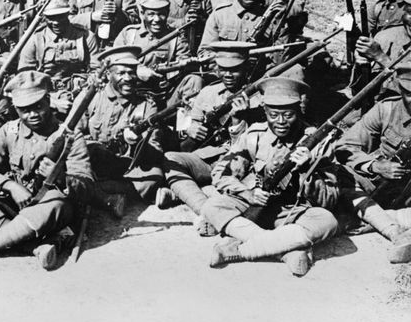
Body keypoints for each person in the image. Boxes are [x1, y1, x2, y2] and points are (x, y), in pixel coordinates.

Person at [0, 70, 93, 270]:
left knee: (54, 205)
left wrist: (60, 177)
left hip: (50, 208)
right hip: (16, 202)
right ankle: (34, 246)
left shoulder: (70, 137)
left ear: (49, 101)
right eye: (25, 110)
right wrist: (10, 187)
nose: (32, 115)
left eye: (38, 107)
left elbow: (86, 187)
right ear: (15, 108)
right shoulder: (9, 130)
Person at [201, 77, 339, 276]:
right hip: (255, 203)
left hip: (294, 210)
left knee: (327, 221)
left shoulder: (317, 142)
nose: (281, 122)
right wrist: (248, 194)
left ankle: (238, 250)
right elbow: (221, 174)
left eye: (289, 115)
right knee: (211, 206)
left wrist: (309, 168)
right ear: (264, 112)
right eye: (273, 115)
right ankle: (285, 252)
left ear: (299, 111)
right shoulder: (254, 135)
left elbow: (330, 199)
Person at [161, 42, 263, 230]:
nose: (228, 75)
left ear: (246, 68)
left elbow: (255, 149)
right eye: (222, 69)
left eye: (235, 70)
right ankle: (204, 209)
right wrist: (191, 129)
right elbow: (189, 131)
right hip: (209, 158)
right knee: (170, 159)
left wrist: (238, 122)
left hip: (241, 165)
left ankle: (186, 194)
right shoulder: (208, 93)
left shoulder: (259, 100)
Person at [334, 64, 411, 264]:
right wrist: (375, 166)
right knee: (339, 177)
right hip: (380, 186)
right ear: (401, 90)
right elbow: (345, 146)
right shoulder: (386, 110)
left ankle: (370, 219)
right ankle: (393, 228)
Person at [83, 46, 164, 215]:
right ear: (108, 75)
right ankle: (106, 192)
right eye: (121, 73)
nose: (128, 78)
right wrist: (94, 147)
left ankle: (95, 191)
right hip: (90, 162)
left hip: (125, 168)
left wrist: (137, 143)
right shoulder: (92, 97)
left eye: (132, 73)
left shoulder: (147, 105)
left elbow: (155, 150)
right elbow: (73, 134)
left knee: (154, 177)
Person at [18, 0, 98, 115]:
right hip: (45, 96)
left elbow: (96, 70)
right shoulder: (35, 40)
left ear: (67, 14)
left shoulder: (85, 36)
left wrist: (83, 94)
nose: (56, 22)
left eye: (60, 16)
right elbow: (25, 80)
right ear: (44, 17)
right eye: (51, 18)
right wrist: (52, 103)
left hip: (80, 92)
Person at [114, 0, 195, 106]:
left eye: (161, 14)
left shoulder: (175, 38)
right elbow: (113, 63)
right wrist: (137, 71)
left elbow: (184, 65)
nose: (156, 20)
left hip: (164, 96)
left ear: (167, 12)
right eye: (151, 14)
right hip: (131, 95)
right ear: (142, 13)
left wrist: (170, 78)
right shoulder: (129, 34)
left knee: (194, 80)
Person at [198, 0, 285, 59]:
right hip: (225, 71)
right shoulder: (220, 15)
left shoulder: (271, 15)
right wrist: (229, 62)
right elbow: (205, 52)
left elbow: (279, 53)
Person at [355, 0, 411, 96]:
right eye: (410, 11)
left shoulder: (378, 49)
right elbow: (358, 92)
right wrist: (360, 67)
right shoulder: (384, 38)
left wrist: (381, 58)